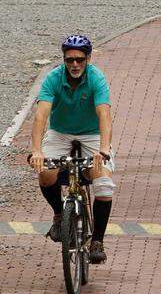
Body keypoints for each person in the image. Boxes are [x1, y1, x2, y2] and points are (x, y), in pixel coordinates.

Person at [28, 34, 115, 264]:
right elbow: (41, 115)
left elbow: (104, 115)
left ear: (87, 59)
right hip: (60, 133)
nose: (74, 65)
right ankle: (58, 215)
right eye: (69, 60)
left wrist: (104, 149)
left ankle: (97, 240)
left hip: (92, 134)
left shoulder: (97, 78)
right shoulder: (53, 79)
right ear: (64, 59)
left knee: (103, 183)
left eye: (79, 59)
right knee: (45, 173)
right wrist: (37, 150)